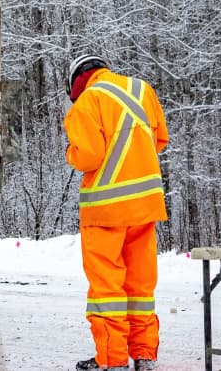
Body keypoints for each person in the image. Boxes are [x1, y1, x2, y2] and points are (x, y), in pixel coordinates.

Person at [63, 55, 169, 371]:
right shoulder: (142, 90)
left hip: (105, 209)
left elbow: (88, 157)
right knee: (140, 285)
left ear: (75, 84)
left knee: (107, 287)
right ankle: (144, 355)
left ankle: (112, 359)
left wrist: (71, 151)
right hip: (145, 205)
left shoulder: (86, 103)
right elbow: (159, 139)